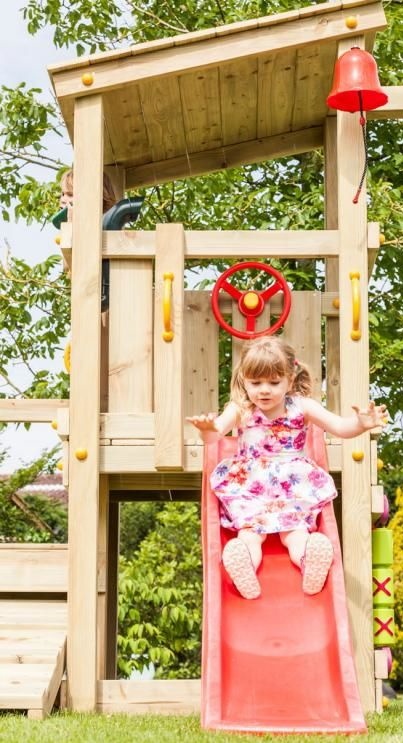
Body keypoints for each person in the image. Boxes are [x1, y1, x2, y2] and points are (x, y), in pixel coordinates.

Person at [187, 335, 387, 600]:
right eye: (255, 383)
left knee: (295, 532)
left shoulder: (302, 406)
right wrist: (206, 429)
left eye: (274, 382)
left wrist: (360, 424)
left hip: (292, 483)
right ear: (244, 380)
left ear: (290, 380)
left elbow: (339, 427)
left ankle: (309, 559)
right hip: (251, 483)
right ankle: (245, 565)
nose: (264, 390)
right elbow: (216, 434)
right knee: (250, 532)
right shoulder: (240, 409)